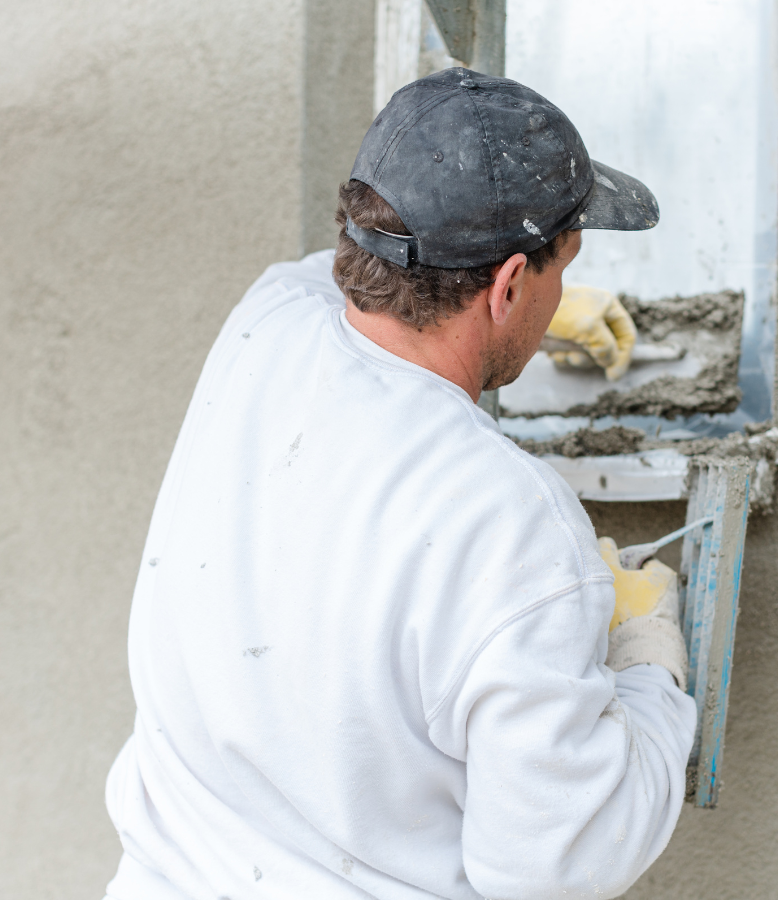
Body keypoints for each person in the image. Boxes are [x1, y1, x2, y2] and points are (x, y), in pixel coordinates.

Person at [103, 67, 695, 900]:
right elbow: (554, 866)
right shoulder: (506, 519)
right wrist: (646, 675)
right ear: (509, 286)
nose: (561, 290)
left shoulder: (266, 323)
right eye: (561, 269)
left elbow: (340, 271)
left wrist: (533, 302)